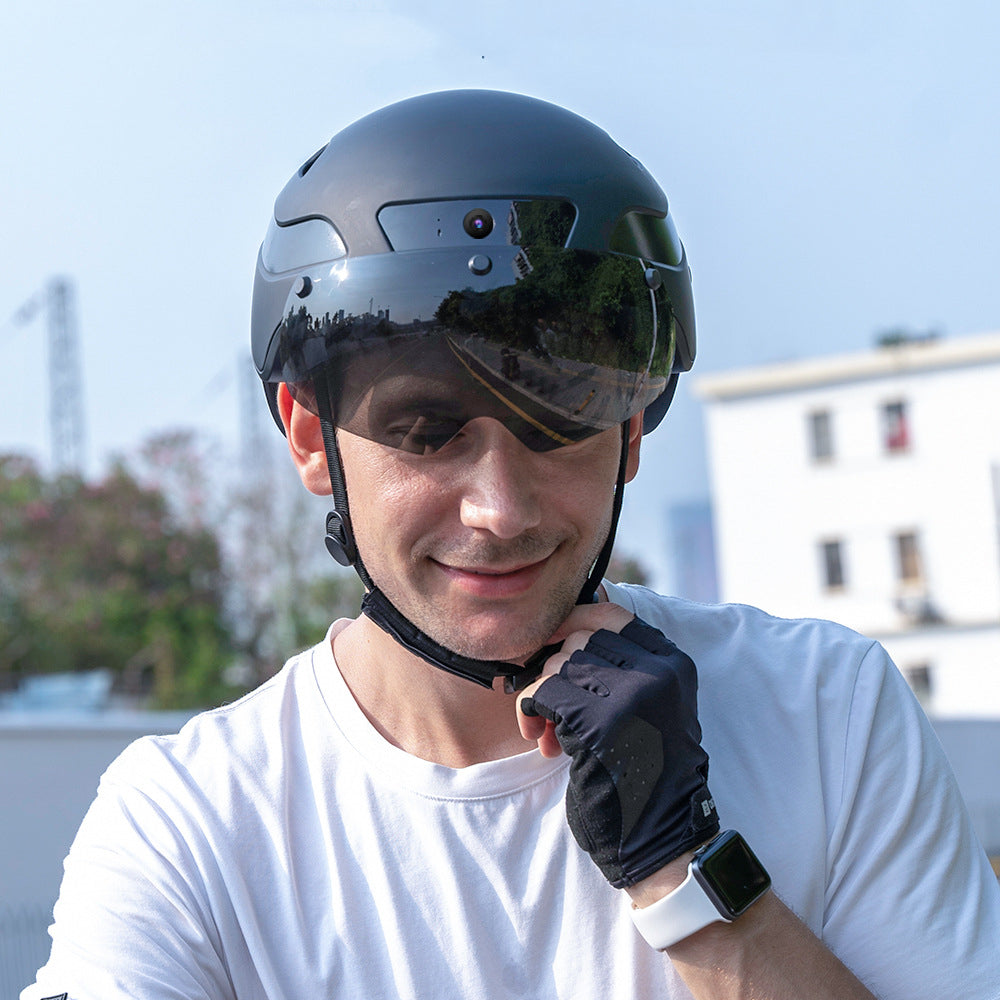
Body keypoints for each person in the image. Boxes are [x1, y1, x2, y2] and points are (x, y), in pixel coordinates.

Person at [24, 90, 1000, 1000]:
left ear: (630, 430)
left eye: (558, 423)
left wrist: (684, 870)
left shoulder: (824, 711)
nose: (499, 509)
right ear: (312, 439)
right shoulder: (189, 826)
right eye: (426, 432)